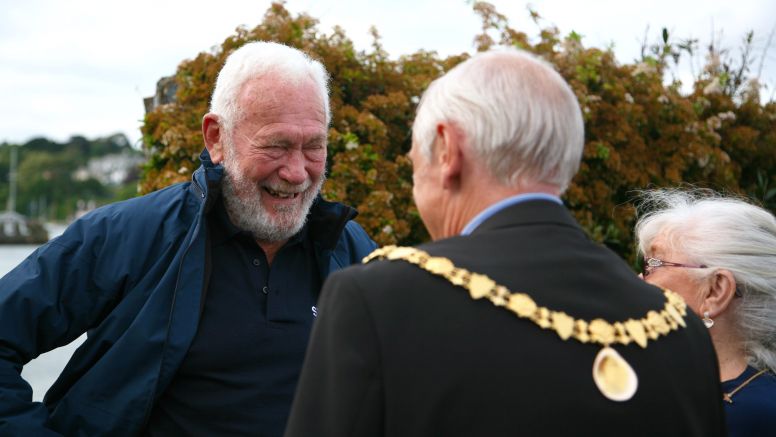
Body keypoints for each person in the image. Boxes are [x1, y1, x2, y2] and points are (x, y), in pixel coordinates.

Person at [284, 48, 726, 437]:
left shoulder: (376, 300)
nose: (415, 181)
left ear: (446, 150)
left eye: (414, 161)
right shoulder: (676, 325)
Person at [0, 41, 376, 436]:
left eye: (314, 147)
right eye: (276, 145)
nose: (297, 172)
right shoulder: (130, 237)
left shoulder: (349, 250)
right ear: (216, 138)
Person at [635, 188, 776, 437]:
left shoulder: (758, 418)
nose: (638, 279)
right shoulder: (659, 387)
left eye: (653, 266)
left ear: (715, 292)